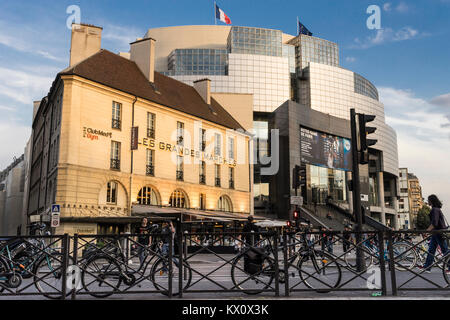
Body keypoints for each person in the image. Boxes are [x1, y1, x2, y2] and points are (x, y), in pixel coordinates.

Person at [419, 195, 449, 273]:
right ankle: (427, 267)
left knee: (444, 250)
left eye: (428, 200)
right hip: (437, 232)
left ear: (431, 201)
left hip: (438, 232)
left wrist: (427, 231)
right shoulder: (436, 209)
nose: (427, 201)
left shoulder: (435, 210)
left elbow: (434, 223)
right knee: (431, 250)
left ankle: (449, 267)